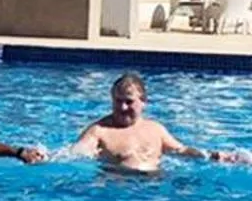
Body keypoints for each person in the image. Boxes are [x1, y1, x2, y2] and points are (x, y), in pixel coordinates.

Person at [67, 73, 215, 172]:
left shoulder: (156, 129)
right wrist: (47, 157)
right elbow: (74, 154)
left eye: (129, 102)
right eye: (118, 101)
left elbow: (180, 150)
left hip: (155, 189)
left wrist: (211, 155)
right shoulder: (99, 131)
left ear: (143, 101)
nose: (122, 107)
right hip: (117, 191)